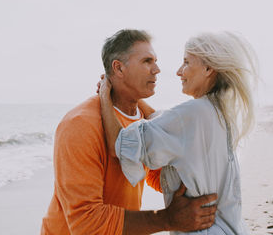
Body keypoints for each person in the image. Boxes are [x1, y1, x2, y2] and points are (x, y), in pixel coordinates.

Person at [41, 29, 217, 235]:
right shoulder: (79, 125)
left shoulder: (142, 117)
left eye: (155, 61)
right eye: (147, 61)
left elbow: (154, 174)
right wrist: (166, 219)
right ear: (119, 68)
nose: (157, 69)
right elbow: (86, 224)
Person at [99, 31, 259, 234]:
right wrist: (131, 97)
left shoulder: (192, 116)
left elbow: (119, 145)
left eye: (186, 62)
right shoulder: (219, 113)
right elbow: (161, 121)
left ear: (208, 68)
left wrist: (105, 93)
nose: (178, 71)